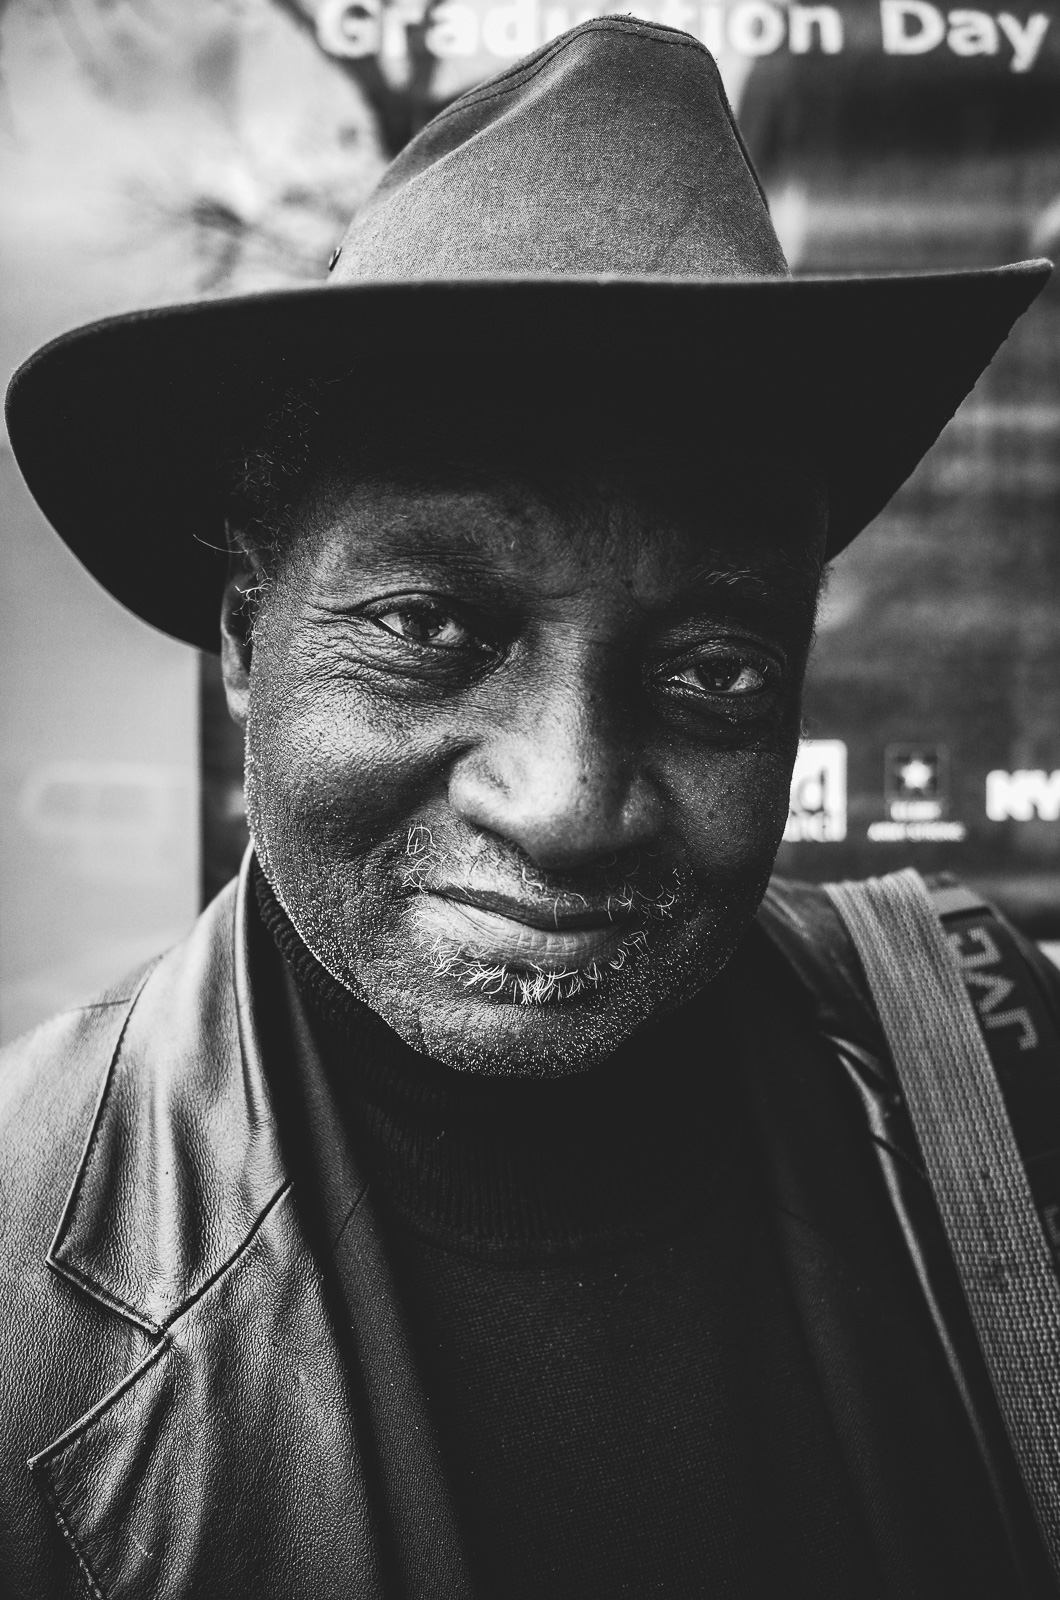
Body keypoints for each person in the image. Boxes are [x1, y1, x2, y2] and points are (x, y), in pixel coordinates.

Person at [1, 17, 1056, 1599]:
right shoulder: (22, 1262)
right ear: (245, 640)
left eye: (710, 667)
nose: (567, 802)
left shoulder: (999, 1056)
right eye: (433, 628)